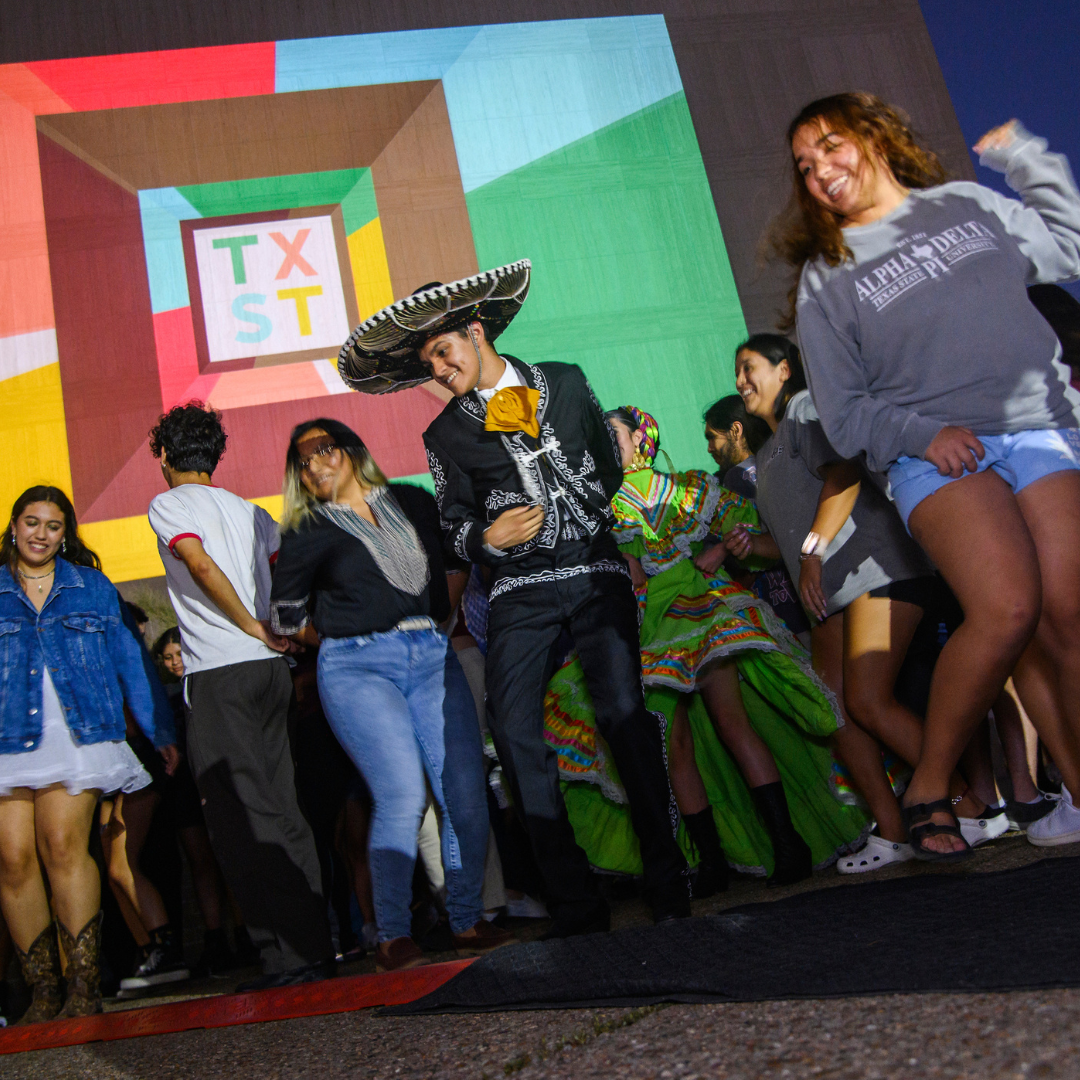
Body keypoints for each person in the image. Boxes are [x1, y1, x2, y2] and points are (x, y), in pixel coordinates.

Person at [338, 261, 690, 936]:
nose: (439, 371)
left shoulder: (562, 379)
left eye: (444, 353)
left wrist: (571, 495)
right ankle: (574, 899)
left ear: (475, 332)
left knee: (623, 713)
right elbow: (453, 524)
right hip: (521, 591)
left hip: (593, 571)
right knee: (515, 730)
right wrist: (488, 536)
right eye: (428, 364)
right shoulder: (443, 435)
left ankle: (667, 875)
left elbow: (610, 465)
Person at [777, 92, 1080, 852]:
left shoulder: (968, 204)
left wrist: (1024, 159)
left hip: (1038, 425)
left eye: (832, 147)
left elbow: (1066, 251)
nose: (820, 171)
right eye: (805, 166)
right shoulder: (827, 275)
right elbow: (844, 415)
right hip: (932, 451)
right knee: (1009, 609)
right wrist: (920, 431)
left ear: (877, 138)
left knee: (1068, 616)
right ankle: (933, 778)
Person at [544, 404, 869, 892]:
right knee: (673, 743)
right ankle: (710, 859)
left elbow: (762, 533)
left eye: (612, 434)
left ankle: (787, 843)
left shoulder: (692, 488)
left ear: (641, 439)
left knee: (731, 722)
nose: (605, 445)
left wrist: (727, 548)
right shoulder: (598, 507)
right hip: (645, 627)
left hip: (701, 611)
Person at [732, 335, 1003, 867]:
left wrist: (812, 551)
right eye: (736, 373)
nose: (740, 381)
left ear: (785, 370)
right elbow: (789, 539)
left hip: (877, 572)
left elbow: (844, 473)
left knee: (868, 700)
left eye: (749, 367)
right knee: (833, 708)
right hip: (827, 593)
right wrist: (750, 548)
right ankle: (893, 827)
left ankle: (963, 803)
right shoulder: (765, 454)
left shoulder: (808, 410)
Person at [269, 418, 512, 971]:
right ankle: (393, 934)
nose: (315, 466)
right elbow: (285, 617)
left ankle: (467, 923)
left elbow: (453, 566)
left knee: (466, 794)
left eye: (324, 451)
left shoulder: (413, 501)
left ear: (352, 450)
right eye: (302, 463)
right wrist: (339, 635)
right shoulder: (305, 531)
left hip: (431, 654)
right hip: (357, 668)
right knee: (402, 794)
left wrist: (436, 623)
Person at [147, 402, 334, 988]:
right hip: (269, 674)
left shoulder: (169, 503)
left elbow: (199, 564)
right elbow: (284, 585)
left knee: (240, 819)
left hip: (223, 674)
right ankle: (313, 948)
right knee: (283, 808)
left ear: (163, 456)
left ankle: (284, 958)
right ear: (215, 454)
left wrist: (253, 627)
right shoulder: (251, 512)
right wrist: (278, 633)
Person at [0, 487, 178, 1021]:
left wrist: (158, 726)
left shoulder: (91, 586)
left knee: (62, 847)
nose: (40, 534)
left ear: (65, 534)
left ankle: (81, 988)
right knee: (11, 860)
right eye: (31, 522)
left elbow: (130, 660)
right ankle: (43, 990)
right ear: (13, 526)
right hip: (6, 738)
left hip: (78, 734)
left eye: (53, 526)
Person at [703, 395, 810, 642]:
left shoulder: (736, 477)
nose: (709, 448)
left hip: (777, 603)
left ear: (736, 430)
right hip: (804, 589)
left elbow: (750, 550)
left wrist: (723, 551)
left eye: (712, 437)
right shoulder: (776, 461)